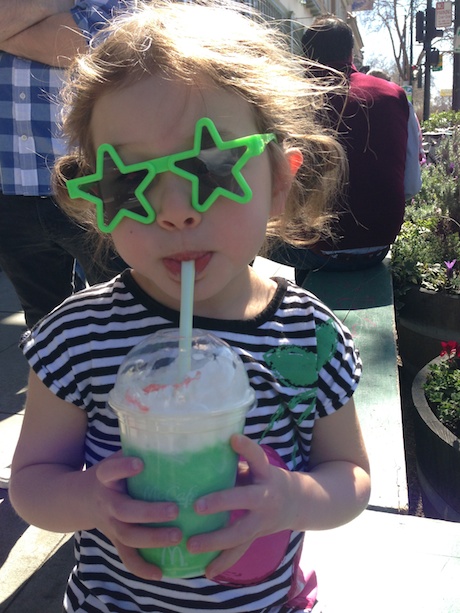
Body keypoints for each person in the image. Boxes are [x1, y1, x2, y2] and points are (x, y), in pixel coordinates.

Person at [10, 3, 371, 612]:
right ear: (98, 199)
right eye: (131, 182)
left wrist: (290, 499)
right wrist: (92, 501)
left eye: (211, 168)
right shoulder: (77, 336)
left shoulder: (308, 335)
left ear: (279, 181)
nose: (174, 212)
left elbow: (351, 475)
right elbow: (31, 483)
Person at [0, 0, 128, 330]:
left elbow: (97, 45)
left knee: (126, 310)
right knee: (44, 324)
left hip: (94, 183)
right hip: (10, 190)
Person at [268, 16, 422, 284]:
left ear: (305, 56)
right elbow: (411, 185)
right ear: (351, 52)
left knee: (239, 227)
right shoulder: (394, 95)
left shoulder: (290, 99)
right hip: (379, 245)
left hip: (314, 251)